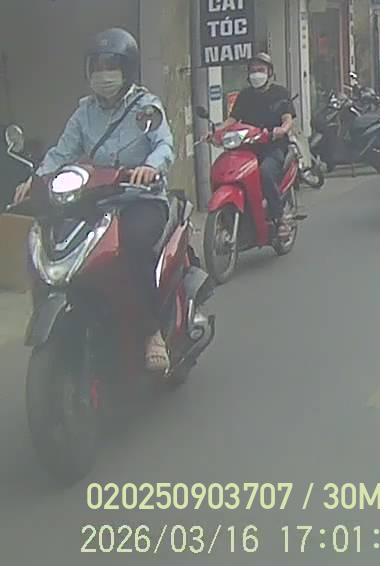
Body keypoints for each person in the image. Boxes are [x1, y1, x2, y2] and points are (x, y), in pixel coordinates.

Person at [13, 28, 176, 372]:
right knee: (51, 239)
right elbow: (62, 151)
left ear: (127, 69)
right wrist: (36, 180)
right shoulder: (84, 113)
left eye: (111, 66)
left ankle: (152, 333)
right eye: (97, 66)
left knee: (133, 247)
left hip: (139, 199)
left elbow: (164, 144)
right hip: (96, 201)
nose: (103, 74)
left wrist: (150, 167)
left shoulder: (145, 108)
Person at [214, 53, 294, 241]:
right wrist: (216, 131)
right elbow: (232, 120)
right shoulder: (245, 95)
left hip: (273, 146)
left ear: (269, 72)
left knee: (265, 172)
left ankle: (280, 218)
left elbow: (288, 119)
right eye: (253, 71)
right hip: (247, 148)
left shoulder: (280, 93)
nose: (256, 74)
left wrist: (282, 130)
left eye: (261, 70)